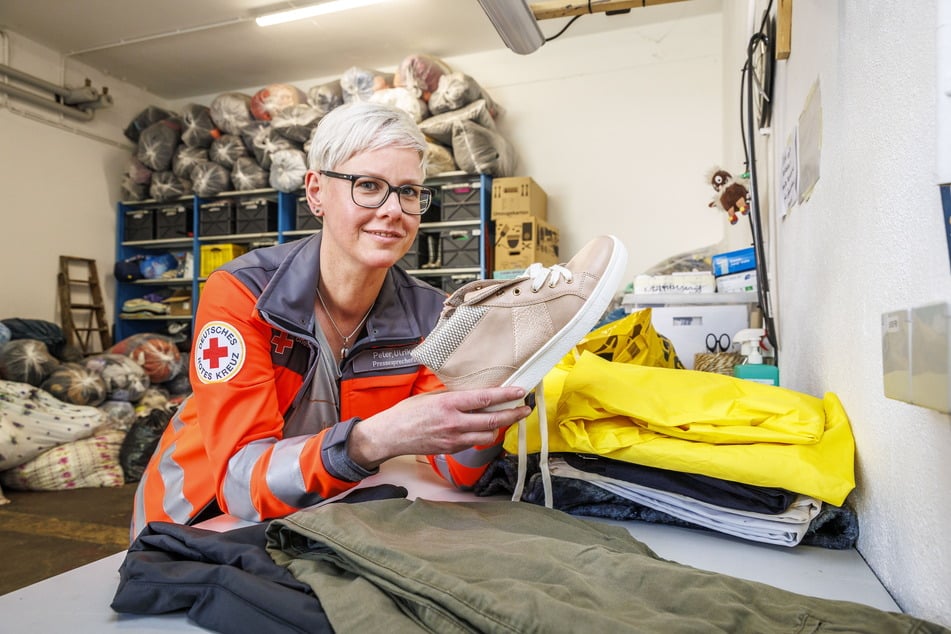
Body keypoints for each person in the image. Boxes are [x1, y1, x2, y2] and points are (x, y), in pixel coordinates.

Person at [131, 101, 531, 539]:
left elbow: (455, 469)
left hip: (316, 516)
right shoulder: (244, 294)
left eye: (410, 191)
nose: (393, 209)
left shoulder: (429, 314)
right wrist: (371, 440)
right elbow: (240, 485)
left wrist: (492, 397)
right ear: (316, 192)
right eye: (368, 185)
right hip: (193, 523)